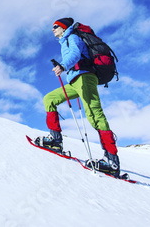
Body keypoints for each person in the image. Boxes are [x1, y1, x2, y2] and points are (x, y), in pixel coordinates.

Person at [36, 17, 120, 177]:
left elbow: (75, 54)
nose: (53, 29)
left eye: (56, 26)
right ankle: (55, 140)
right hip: (75, 81)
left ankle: (112, 161)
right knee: (49, 99)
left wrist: (62, 66)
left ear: (64, 28)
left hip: (85, 78)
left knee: (95, 115)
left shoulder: (72, 37)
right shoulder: (65, 41)